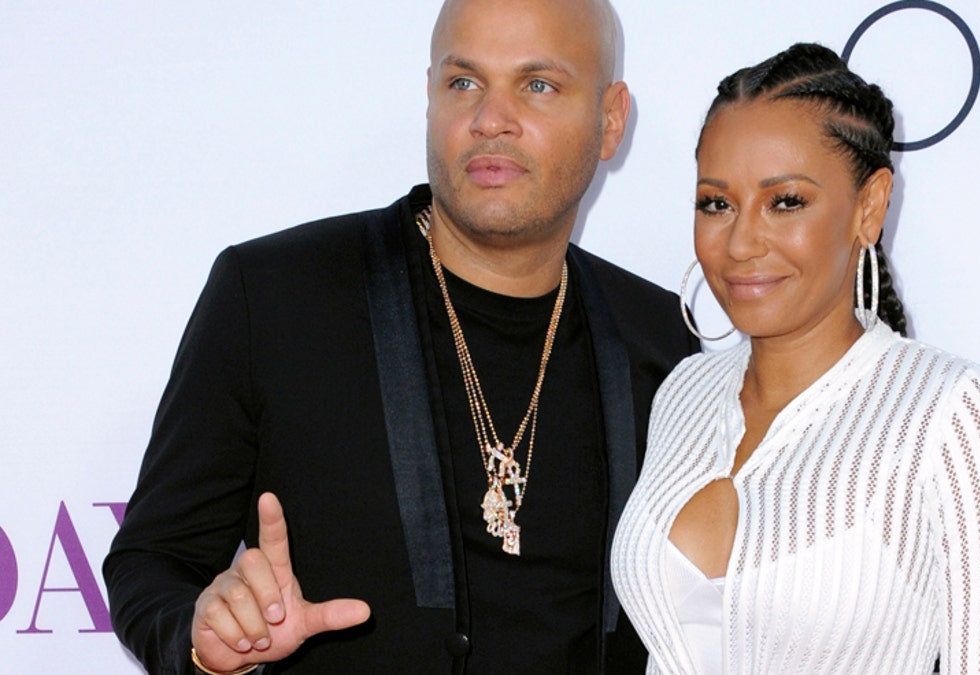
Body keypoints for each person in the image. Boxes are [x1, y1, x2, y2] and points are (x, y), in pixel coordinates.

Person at [103, 0, 698, 673]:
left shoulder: (664, 342)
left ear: (611, 118)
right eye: (463, 82)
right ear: (429, 97)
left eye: (537, 85)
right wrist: (205, 639)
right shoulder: (273, 298)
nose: (489, 119)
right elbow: (152, 559)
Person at [612, 43, 980, 674]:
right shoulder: (684, 392)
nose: (740, 243)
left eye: (785, 201)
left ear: (869, 207)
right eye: (717, 203)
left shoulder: (954, 417)